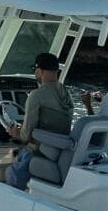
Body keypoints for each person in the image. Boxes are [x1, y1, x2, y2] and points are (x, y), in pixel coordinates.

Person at [5, 51, 73, 189]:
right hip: (59, 150)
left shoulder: (36, 95)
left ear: (39, 71)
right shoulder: (66, 93)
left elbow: (25, 136)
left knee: (10, 173)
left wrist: (16, 132)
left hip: (39, 151)